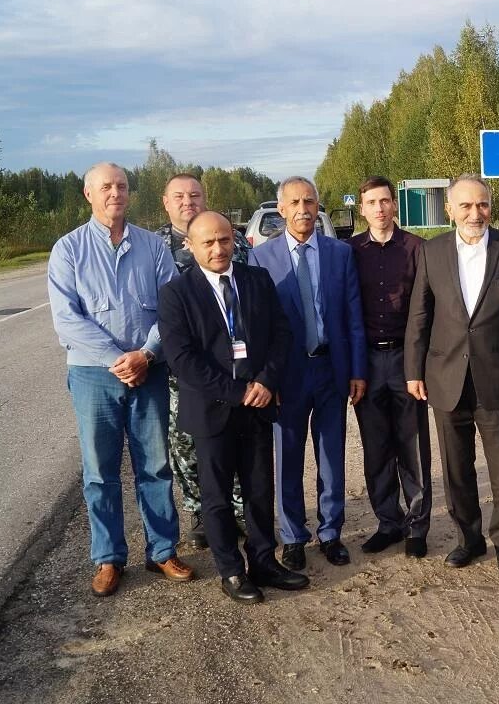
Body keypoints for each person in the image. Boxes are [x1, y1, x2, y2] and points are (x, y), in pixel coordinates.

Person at [47, 162, 193, 597]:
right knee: (99, 472)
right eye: (106, 187)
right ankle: (109, 559)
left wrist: (146, 354)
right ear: (88, 194)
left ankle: (162, 550)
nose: (115, 193)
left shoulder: (153, 248)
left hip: (148, 370)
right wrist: (117, 358)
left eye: (122, 186)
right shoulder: (69, 250)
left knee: (155, 465)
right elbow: (66, 319)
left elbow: (172, 310)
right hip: (94, 375)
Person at [158, 211, 308, 603]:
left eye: (224, 240)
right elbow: (182, 357)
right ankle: (231, 571)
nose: (218, 248)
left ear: (234, 240)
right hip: (213, 410)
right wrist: (237, 391)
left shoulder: (256, 280)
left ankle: (263, 561)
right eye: (207, 242)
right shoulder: (177, 293)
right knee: (217, 496)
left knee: (260, 489)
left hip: (259, 405)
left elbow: (281, 333)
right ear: (189, 246)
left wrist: (266, 381)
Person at [405, 173, 499, 573]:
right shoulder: (431, 253)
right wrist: (414, 371)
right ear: (449, 210)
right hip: (445, 378)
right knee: (456, 468)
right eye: (465, 205)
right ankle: (469, 539)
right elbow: (419, 317)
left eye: (481, 204)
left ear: (490, 207)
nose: (475, 212)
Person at [250, 176, 367, 571]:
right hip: (287, 377)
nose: (303, 209)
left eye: (310, 201)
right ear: (281, 209)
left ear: (318, 206)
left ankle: (331, 532)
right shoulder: (261, 258)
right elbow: (258, 326)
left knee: (332, 457)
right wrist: (267, 379)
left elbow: (353, 317)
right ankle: (293, 536)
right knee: (287, 457)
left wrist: (356, 370)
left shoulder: (339, 253)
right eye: (295, 202)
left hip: (330, 369)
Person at [157, 173, 251, 546]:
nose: (187, 201)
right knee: (187, 444)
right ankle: (201, 513)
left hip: (234, 362)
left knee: (238, 440)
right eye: (178, 196)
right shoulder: (154, 247)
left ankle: (241, 511)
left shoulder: (236, 241)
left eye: (195, 195)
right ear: (166, 202)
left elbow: (249, 293)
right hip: (185, 368)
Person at [347, 176, 432, 559]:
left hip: (406, 359)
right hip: (366, 360)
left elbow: (428, 309)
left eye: (385, 201)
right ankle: (388, 522)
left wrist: (422, 363)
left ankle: (417, 526)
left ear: (394, 205)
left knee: (412, 445)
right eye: (371, 202)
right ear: (361, 208)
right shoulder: (349, 251)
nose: (379, 208)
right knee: (376, 446)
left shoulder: (418, 249)